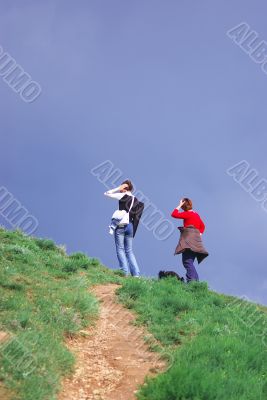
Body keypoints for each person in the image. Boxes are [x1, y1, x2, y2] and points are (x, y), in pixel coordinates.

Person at [104, 180, 144, 277]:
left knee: (120, 249)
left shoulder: (123, 196)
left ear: (125, 188)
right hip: (130, 226)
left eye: (122, 187)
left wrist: (118, 188)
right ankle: (136, 275)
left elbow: (106, 193)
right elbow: (137, 217)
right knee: (129, 251)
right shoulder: (136, 200)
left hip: (121, 226)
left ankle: (125, 273)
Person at [171, 198, 208, 282]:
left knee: (187, 261)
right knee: (190, 262)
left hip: (188, 241)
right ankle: (195, 281)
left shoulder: (187, 214)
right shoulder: (196, 214)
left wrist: (179, 205)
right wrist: (199, 234)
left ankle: (192, 281)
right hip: (197, 242)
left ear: (184, 205)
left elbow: (173, 214)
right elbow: (203, 226)